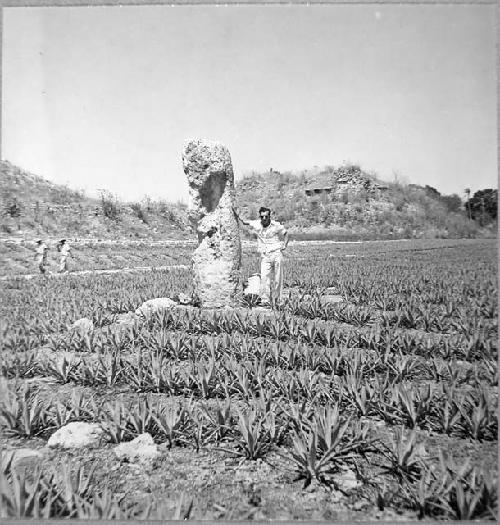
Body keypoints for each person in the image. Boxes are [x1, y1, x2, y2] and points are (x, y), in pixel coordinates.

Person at [234, 206, 289, 306]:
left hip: (276, 253)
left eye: (266, 216)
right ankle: (265, 300)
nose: (264, 219)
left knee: (278, 278)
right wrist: (236, 213)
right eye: (262, 217)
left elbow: (285, 233)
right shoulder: (257, 224)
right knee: (264, 278)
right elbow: (244, 222)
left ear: (269, 216)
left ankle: (278, 301)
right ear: (260, 216)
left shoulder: (275, 225)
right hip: (265, 255)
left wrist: (284, 245)